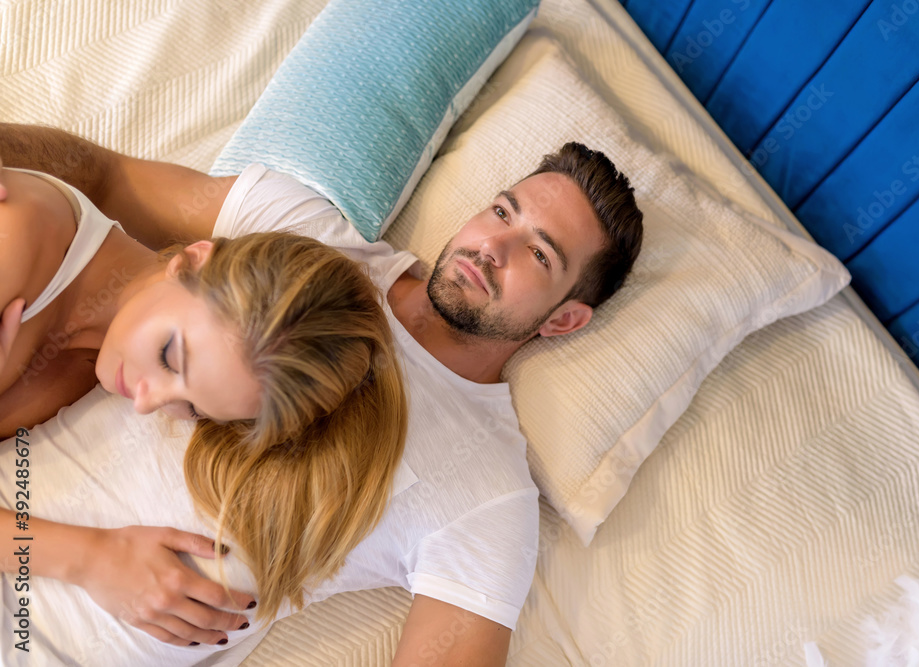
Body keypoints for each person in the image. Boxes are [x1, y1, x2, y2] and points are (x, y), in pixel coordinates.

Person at [0, 124, 643, 665]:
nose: (492, 247)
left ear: (563, 320)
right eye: (503, 211)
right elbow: (104, 178)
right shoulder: (297, 230)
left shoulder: (488, 491)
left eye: (538, 252)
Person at [0, 162, 409, 645]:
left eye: (193, 409)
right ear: (192, 260)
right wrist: (90, 557)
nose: (146, 404)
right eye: (170, 358)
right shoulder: (18, 241)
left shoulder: (99, 356)